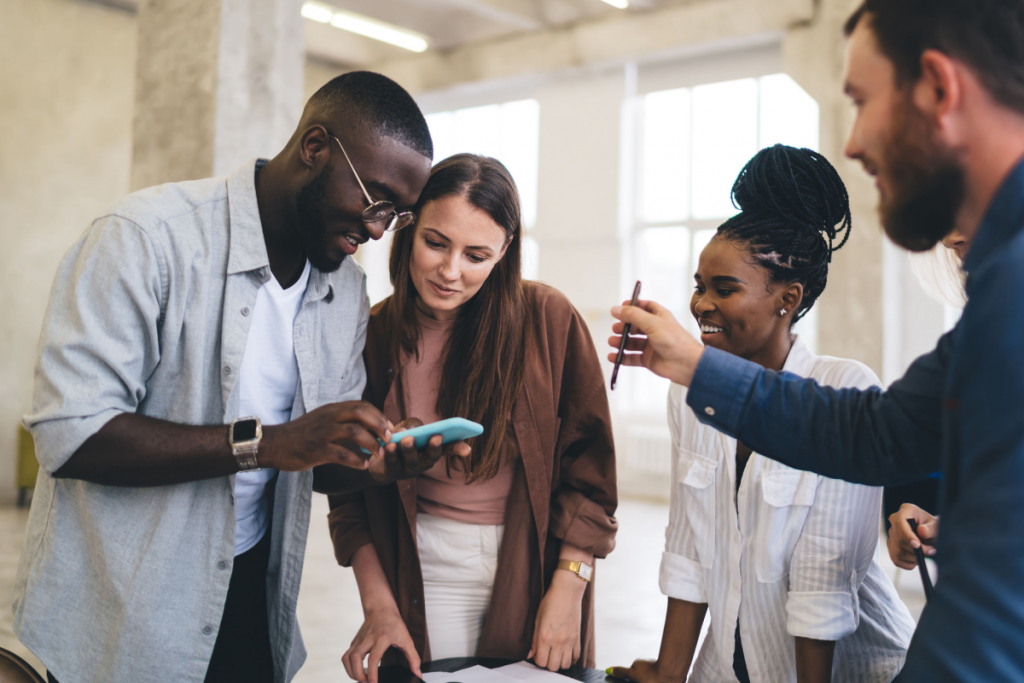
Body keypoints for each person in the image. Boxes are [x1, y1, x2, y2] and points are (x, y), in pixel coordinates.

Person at [606, 0, 1024, 678]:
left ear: (940, 88)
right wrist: (692, 366)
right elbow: (877, 435)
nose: (852, 142)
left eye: (861, 100)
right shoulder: (998, 289)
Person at [16, 71, 466, 683]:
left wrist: (380, 461)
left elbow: (318, 459)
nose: (380, 228)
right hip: (125, 602)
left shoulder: (344, 291)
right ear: (314, 148)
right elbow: (70, 434)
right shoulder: (146, 240)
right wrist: (270, 443)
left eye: (398, 215)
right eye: (376, 200)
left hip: (251, 591)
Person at [610, 145, 915, 683]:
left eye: (724, 289)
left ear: (788, 298)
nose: (701, 304)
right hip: (727, 666)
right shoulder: (688, 395)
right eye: (699, 287)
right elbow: (690, 546)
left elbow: (823, 583)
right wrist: (667, 673)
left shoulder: (845, 388)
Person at [327, 154, 618, 683]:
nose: (450, 271)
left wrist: (571, 583)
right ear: (407, 228)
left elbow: (589, 472)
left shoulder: (548, 321)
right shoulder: (372, 335)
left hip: (534, 561)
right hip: (422, 567)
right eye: (436, 243)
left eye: (477, 254)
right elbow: (347, 496)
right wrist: (379, 607)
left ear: (505, 252)